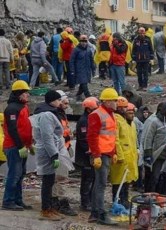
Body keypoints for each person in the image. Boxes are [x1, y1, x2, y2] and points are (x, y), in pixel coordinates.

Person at [87, 87, 118, 225]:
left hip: (106, 153)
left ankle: (95, 213)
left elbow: (111, 136)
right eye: (114, 101)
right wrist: (96, 155)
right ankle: (99, 213)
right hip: (101, 154)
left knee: (99, 184)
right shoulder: (97, 114)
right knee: (101, 184)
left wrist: (114, 152)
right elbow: (92, 136)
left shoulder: (110, 114)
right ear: (107, 101)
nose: (116, 103)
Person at [32, 90, 65, 220]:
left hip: (48, 150)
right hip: (47, 152)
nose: (60, 102)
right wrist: (54, 154)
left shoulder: (48, 113)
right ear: (52, 100)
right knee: (48, 181)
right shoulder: (46, 115)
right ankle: (46, 209)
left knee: (50, 180)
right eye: (58, 100)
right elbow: (47, 136)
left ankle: (49, 207)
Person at [2, 80, 33, 211]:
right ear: (19, 93)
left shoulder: (23, 107)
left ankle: (18, 200)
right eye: (26, 92)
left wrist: (29, 144)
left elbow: (25, 127)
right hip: (14, 146)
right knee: (14, 175)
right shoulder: (12, 109)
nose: (28, 95)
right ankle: (8, 201)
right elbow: (13, 130)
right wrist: (21, 146)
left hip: (21, 146)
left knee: (20, 174)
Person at [110, 97, 138, 208]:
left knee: (126, 180)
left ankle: (124, 200)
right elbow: (116, 139)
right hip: (121, 157)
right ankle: (117, 201)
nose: (128, 111)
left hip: (129, 155)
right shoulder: (117, 120)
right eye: (126, 108)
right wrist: (120, 155)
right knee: (118, 181)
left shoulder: (129, 123)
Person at [75, 97, 99, 211]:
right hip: (86, 155)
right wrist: (91, 152)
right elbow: (83, 139)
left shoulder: (90, 119)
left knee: (92, 178)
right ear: (89, 109)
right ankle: (85, 202)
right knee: (87, 180)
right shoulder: (84, 121)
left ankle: (89, 200)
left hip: (90, 153)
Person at [142, 102, 166, 195]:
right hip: (157, 155)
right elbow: (148, 138)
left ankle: (161, 197)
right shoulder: (154, 122)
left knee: (165, 177)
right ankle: (150, 197)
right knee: (154, 177)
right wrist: (148, 153)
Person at [70, 35, 96, 100]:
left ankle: (78, 94)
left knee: (83, 83)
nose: (83, 43)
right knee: (84, 83)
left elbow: (91, 60)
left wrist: (93, 68)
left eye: (85, 41)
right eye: (82, 41)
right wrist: (72, 70)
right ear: (80, 42)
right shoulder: (76, 50)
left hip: (87, 70)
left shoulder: (89, 50)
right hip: (79, 70)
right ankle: (88, 96)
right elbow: (72, 60)